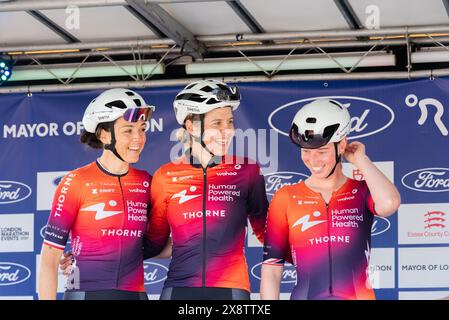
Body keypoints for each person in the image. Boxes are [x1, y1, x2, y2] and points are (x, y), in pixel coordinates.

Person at [260, 99, 401, 300]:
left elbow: (390, 203)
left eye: (322, 151)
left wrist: (360, 159)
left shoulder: (361, 190)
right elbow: (272, 270)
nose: (313, 160)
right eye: (306, 151)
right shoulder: (286, 197)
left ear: (341, 144)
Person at [143, 79, 268, 300]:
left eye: (230, 122)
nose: (227, 131)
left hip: (231, 289)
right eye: (217, 123)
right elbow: (154, 243)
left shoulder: (247, 171)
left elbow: (267, 233)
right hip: (179, 289)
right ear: (191, 126)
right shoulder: (166, 176)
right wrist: (91, 254)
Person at [38, 88, 156, 300]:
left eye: (142, 128)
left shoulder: (147, 181)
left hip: (134, 296)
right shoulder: (76, 181)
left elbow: (156, 245)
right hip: (85, 294)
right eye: (128, 130)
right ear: (104, 135)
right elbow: (49, 258)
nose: (138, 138)